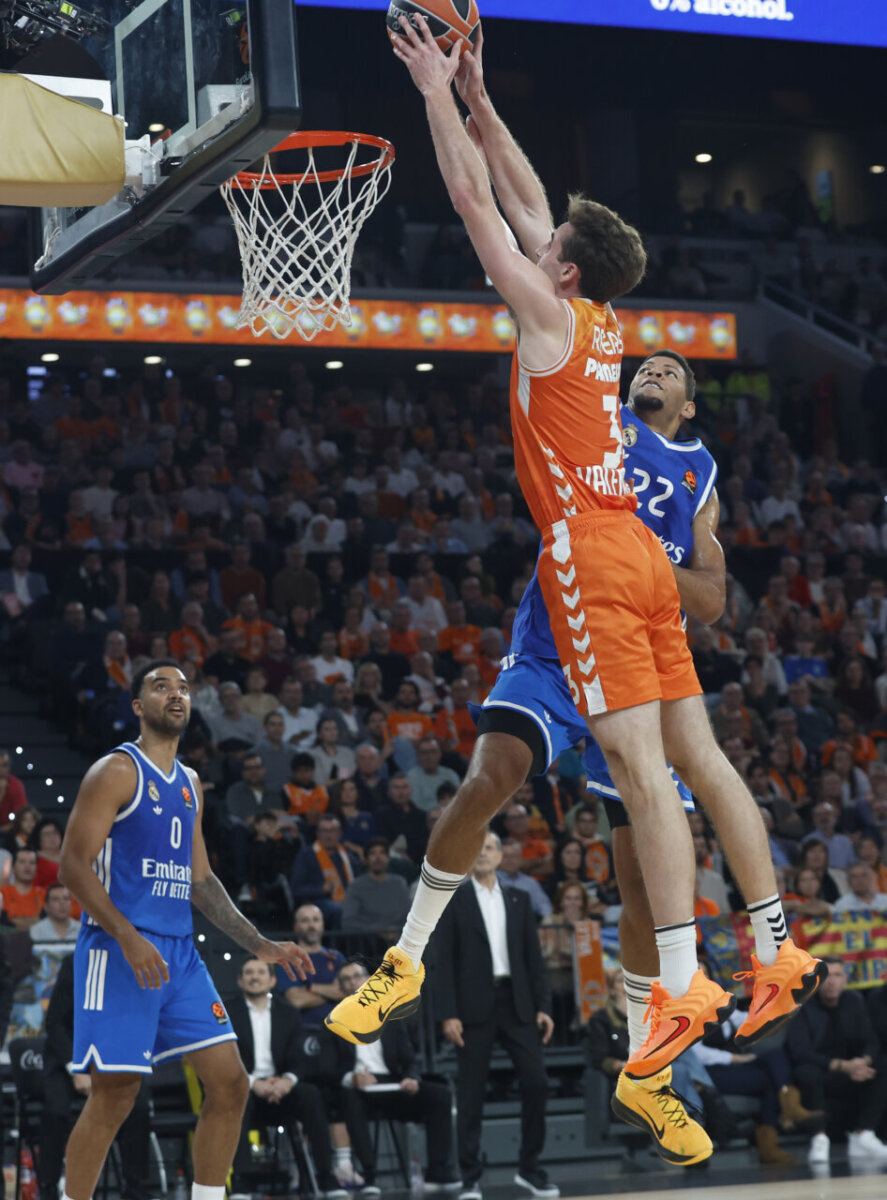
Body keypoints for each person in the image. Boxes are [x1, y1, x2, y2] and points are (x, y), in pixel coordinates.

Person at [326, 23, 822, 1157]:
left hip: (590, 559)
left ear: (559, 264)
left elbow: (469, 195)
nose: (532, 234)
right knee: (685, 764)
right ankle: (750, 950)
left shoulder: (552, 318)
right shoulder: (599, 318)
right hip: (627, 564)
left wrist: (428, 96)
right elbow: (528, 192)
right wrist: (480, 93)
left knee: (645, 786)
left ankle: (683, 992)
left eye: (542, 240)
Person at [56, 658, 313, 1200]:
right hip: (121, 949)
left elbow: (200, 881)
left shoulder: (192, 783)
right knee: (115, 1096)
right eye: (160, 685)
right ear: (138, 706)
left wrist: (259, 942)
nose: (176, 693)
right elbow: (73, 867)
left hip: (180, 955)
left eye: (183, 687)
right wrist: (128, 936)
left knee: (230, 1083)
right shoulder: (116, 771)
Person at [434, 833, 556, 1200]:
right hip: (472, 1009)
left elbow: (534, 960)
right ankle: (470, 1177)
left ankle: (529, 1169)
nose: (483, 853)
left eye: (489, 847)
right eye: (477, 847)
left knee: (536, 1082)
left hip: (517, 1004)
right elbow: (443, 963)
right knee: (471, 1095)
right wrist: (447, 1014)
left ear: (501, 855)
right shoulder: (454, 900)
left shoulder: (519, 900)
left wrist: (544, 1007)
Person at [327, 959, 457, 1196]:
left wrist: (411, 1078)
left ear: (369, 980)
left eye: (357, 976)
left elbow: (409, 1060)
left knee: (440, 1095)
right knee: (349, 1099)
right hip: (357, 1088)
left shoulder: (391, 1017)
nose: (352, 982)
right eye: (346, 979)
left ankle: (438, 1171)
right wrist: (352, 1078)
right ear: (340, 988)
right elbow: (327, 1069)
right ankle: (369, 1175)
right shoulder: (332, 1022)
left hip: (392, 1083)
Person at [227, 956, 347, 1199]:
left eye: (261, 972)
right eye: (249, 973)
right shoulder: (228, 1013)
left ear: (272, 980)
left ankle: (326, 1175)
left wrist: (287, 1080)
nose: (255, 977)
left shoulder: (289, 1012)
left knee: (311, 1095)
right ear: (241, 981)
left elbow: (299, 1056)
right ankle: (241, 1181)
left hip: (281, 1087)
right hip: (246, 1087)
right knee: (235, 1099)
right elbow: (225, 1059)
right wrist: (253, 1083)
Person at [40, 955, 154, 1200]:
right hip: (67, 1058)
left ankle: (135, 1187)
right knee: (57, 1110)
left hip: (112, 1055)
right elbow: (55, 1023)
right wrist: (76, 1069)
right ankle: (48, 1187)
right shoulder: (75, 962)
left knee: (140, 1105)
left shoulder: (133, 964)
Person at [787, 957, 887, 1165]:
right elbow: (800, 1051)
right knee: (806, 1072)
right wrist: (842, 1066)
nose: (832, 981)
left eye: (837, 975)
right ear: (816, 981)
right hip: (822, 1070)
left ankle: (863, 1134)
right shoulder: (802, 1004)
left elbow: (871, 1040)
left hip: (852, 1069)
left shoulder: (854, 1000)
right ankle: (819, 1138)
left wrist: (864, 1061)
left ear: (845, 979)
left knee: (882, 1065)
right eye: (827, 976)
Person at [278, 903, 345, 1028]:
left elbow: (348, 992)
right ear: (295, 926)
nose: (311, 925)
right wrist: (333, 995)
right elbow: (296, 1000)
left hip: (340, 1028)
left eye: (316, 920)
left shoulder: (336, 957)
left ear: (323, 925)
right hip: (305, 1028)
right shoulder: (288, 960)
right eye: (305, 920)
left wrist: (310, 987)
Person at [341, 838, 411, 946]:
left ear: (388, 858)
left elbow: (409, 916)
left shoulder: (399, 883)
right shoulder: (356, 886)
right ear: (366, 859)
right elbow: (348, 923)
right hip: (368, 945)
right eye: (373, 853)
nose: (378, 858)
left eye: (382, 853)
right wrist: (378, 930)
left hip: (401, 941)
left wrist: (395, 931)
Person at [0, 845, 46, 929]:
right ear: (13, 867)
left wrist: (15, 921)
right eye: (22, 862)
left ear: (36, 868)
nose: (27, 866)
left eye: (32, 862)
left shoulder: (45, 894)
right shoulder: (2, 894)